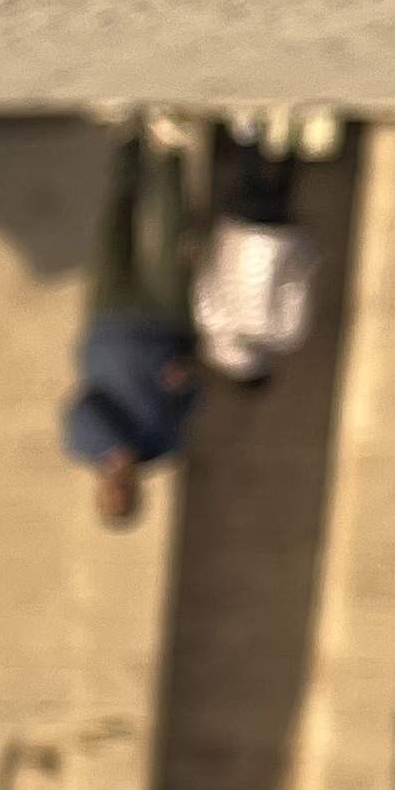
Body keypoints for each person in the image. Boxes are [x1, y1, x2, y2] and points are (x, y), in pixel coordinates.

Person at [59, 113, 206, 529]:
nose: (120, 489)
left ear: (101, 491)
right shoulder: (163, 445)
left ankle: (128, 142)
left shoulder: (83, 444)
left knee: (115, 231)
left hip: (109, 326)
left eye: (112, 495)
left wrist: (115, 448)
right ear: (140, 493)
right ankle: (170, 150)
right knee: (171, 234)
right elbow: (194, 397)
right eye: (127, 496)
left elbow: (84, 406)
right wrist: (186, 377)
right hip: (165, 324)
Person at [192, 117, 321, 389]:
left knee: (284, 183)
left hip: (279, 242)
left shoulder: (284, 336)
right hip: (236, 237)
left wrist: (308, 257)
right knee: (247, 178)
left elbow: (296, 289)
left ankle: (294, 127)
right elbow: (205, 282)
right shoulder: (212, 325)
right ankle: (248, 130)